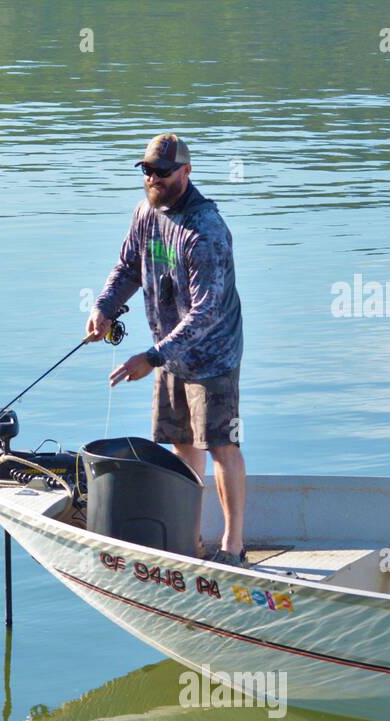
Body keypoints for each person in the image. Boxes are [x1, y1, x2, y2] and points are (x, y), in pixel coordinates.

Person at [85, 133, 247, 566]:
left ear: (186, 172)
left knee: (220, 445)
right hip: (168, 348)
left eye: (162, 172)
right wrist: (104, 307)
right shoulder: (145, 214)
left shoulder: (206, 231)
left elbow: (206, 312)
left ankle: (233, 546)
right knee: (180, 443)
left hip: (213, 356)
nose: (153, 179)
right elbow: (127, 268)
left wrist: (153, 357)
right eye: (147, 172)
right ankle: (187, 538)